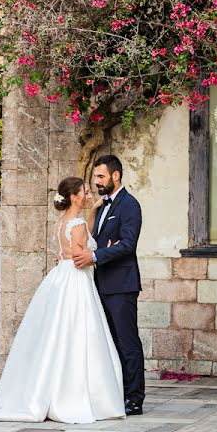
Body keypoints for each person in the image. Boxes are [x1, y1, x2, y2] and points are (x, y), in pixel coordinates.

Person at [0, 176, 125, 424]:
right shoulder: (76, 223)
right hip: (76, 280)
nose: (89, 195)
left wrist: (95, 212)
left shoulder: (62, 222)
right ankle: (76, 395)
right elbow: (80, 256)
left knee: (54, 333)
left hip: (59, 277)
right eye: (85, 192)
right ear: (75, 197)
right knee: (79, 333)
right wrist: (105, 250)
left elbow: (76, 239)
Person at [73, 154, 146, 416]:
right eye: (95, 177)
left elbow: (127, 245)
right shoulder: (103, 207)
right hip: (101, 285)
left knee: (127, 343)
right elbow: (96, 240)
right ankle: (116, 394)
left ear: (116, 176)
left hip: (122, 286)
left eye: (101, 176)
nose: (96, 182)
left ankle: (134, 399)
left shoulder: (130, 206)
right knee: (110, 344)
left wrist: (96, 256)